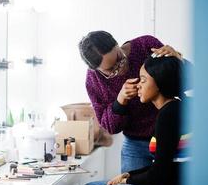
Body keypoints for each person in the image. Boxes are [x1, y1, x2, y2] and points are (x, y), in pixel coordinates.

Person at [78, 31, 183, 173]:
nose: (120, 68)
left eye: (120, 58)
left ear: (117, 44)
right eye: (111, 70)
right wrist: (121, 100)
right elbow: (110, 127)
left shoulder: (145, 45)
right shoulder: (93, 81)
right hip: (135, 144)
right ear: (96, 70)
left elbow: (186, 81)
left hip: (168, 136)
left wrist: (178, 59)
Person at [82, 56, 188, 185]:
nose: (138, 85)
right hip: (163, 180)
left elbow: (159, 174)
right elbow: (160, 165)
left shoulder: (168, 115)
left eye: (143, 80)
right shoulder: (172, 108)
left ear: (160, 82)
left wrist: (127, 180)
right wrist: (128, 174)